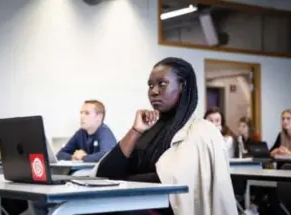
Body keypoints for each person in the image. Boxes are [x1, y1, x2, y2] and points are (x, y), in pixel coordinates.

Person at [92, 57, 238, 215]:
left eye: (162, 84)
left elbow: (169, 181)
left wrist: (121, 181)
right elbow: (106, 173)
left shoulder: (202, 132)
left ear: (184, 86)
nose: (154, 91)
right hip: (137, 204)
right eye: (150, 85)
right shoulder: (150, 129)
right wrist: (136, 130)